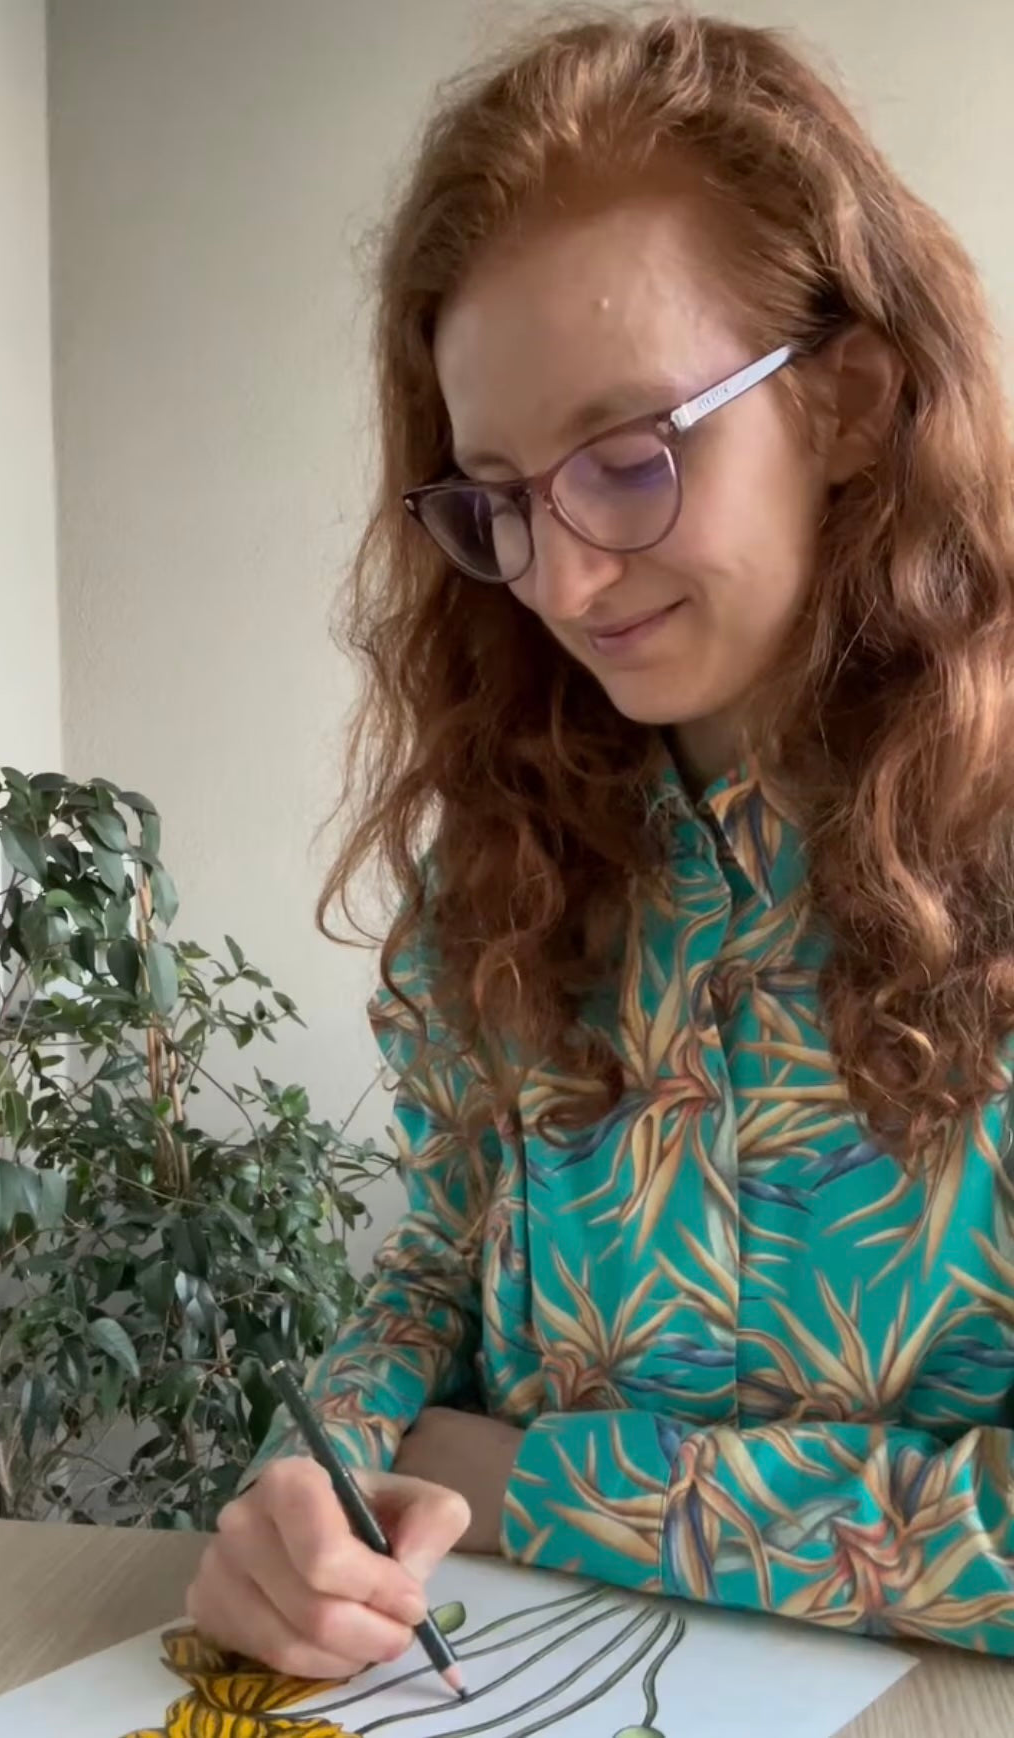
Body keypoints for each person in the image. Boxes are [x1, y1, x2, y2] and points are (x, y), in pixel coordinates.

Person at [187, 9, 1014, 1676]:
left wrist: (525, 1479)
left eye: (631, 460)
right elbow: (430, 1267)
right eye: (496, 496)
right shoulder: (492, 863)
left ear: (847, 401)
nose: (560, 582)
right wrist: (317, 1474)